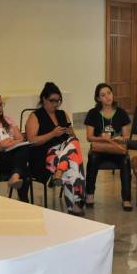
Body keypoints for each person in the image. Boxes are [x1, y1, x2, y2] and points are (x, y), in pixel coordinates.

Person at [24, 82, 86, 215]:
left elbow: (74, 140)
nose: (56, 104)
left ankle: (59, 171)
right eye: (52, 101)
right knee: (73, 163)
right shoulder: (35, 116)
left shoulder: (63, 114)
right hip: (44, 155)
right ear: (44, 99)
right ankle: (75, 203)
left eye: (58, 101)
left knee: (73, 143)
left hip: (63, 153)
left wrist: (71, 133)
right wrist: (52, 134)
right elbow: (31, 141)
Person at [84, 83, 133, 210]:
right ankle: (89, 194)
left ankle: (126, 199)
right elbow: (89, 137)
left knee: (125, 160)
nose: (107, 97)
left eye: (109, 93)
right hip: (99, 149)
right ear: (98, 98)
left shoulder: (121, 113)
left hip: (116, 149)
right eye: (103, 95)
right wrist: (101, 137)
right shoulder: (93, 113)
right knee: (92, 158)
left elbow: (126, 136)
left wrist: (120, 138)